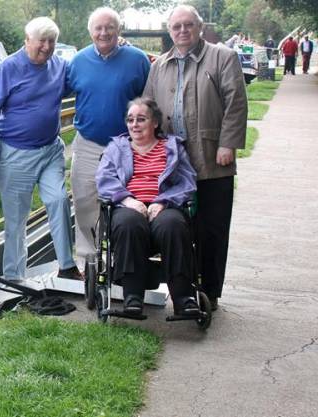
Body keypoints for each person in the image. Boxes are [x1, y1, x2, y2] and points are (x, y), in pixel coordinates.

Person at [143, 5, 248, 310]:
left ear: (199, 28)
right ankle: (184, 289)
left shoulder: (222, 57)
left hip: (212, 158)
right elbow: (150, 111)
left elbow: (236, 103)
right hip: (172, 163)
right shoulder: (159, 66)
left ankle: (211, 291)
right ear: (169, 30)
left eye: (189, 25)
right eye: (176, 27)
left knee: (212, 227)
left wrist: (228, 144)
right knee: (176, 227)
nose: (182, 31)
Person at [0, 17, 81, 281]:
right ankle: (14, 279)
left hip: (50, 150)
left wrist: (117, 50)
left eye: (51, 42)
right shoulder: (8, 68)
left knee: (58, 201)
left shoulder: (60, 67)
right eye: (41, 41)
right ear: (27, 40)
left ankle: (67, 267)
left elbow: (85, 80)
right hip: (15, 154)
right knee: (16, 221)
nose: (46, 47)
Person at [96, 98, 197, 316]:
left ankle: (183, 298)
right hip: (129, 206)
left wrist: (162, 201)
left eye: (141, 119)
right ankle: (132, 297)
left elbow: (186, 181)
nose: (134, 125)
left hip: (164, 206)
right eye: (130, 120)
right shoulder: (116, 148)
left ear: (155, 123)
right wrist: (128, 200)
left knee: (173, 225)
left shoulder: (172, 147)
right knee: (128, 224)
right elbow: (104, 179)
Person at [66, 6, 150, 267]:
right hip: (88, 143)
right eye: (98, 28)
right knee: (83, 200)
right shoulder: (78, 61)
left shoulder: (137, 60)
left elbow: (151, 101)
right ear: (90, 32)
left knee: (127, 203)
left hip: (127, 146)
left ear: (119, 30)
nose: (103, 33)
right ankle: (88, 261)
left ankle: (122, 259)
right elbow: (55, 92)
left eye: (109, 27)